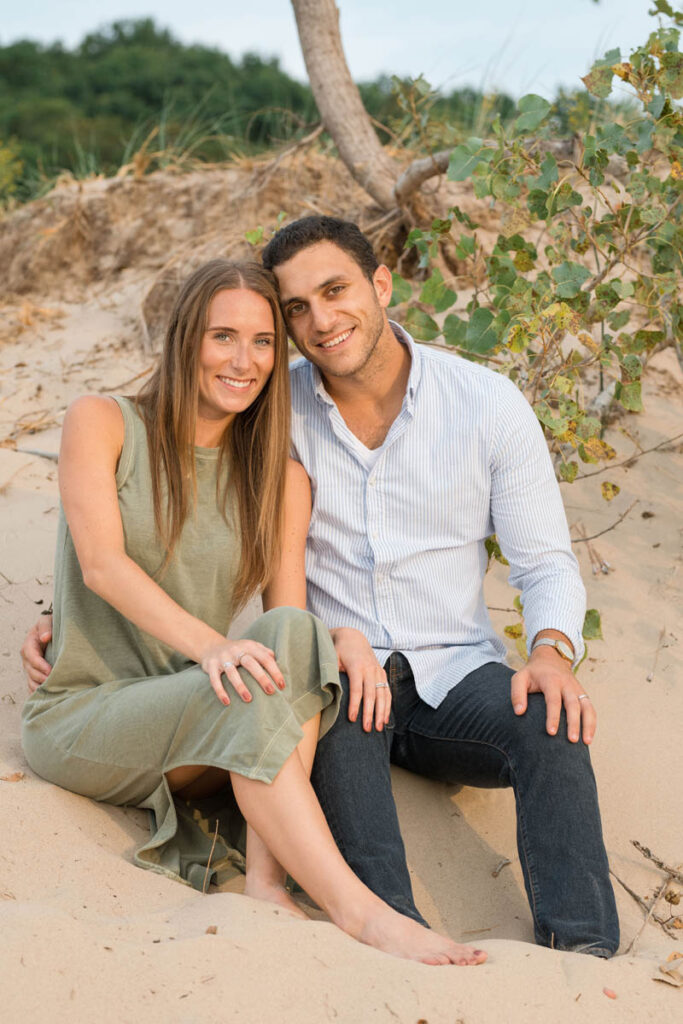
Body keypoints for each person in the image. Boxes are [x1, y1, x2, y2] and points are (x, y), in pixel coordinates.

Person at [23, 213, 619, 956]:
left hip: (443, 673)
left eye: (331, 294)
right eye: (294, 311)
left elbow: (539, 562)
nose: (317, 324)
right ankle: (375, 921)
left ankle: (582, 953)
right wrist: (65, 618)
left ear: (380, 283)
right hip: (279, 689)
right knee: (317, 685)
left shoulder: (471, 407)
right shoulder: (201, 414)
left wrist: (550, 653)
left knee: (542, 716)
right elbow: (118, 543)